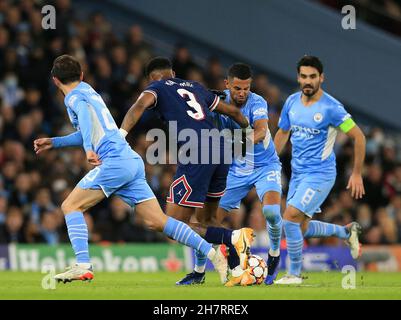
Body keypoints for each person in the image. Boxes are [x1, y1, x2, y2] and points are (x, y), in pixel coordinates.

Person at [33, 54, 240, 283]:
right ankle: (214, 255)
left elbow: (84, 117)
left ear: (55, 81)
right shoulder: (88, 90)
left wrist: (88, 150)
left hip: (114, 162)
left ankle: (83, 265)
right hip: (130, 160)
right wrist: (55, 142)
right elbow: (88, 129)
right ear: (81, 75)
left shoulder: (73, 97)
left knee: (70, 205)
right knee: (157, 221)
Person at [120, 57, 255, 285]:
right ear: (172, 73)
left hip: (197, 151)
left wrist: (121, 135)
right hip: (221, 150)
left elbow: (139, 106)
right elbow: (233, 113)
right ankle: (228, 269)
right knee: (207, 219)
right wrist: (248, 132)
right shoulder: (195, 86)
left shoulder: (156, 87)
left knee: (171, 223)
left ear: (151, 78)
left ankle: (234, 237)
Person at [273, 55, 366, 285]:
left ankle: (294, 274)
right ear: (298, 77)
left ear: (321, 78)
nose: (308, 81)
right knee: (299, 227)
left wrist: (356, 173)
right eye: (304, 76)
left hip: (320, 175)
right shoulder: (291, 102)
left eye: (312, 77)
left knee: (290, 218)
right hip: (298, 174)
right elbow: (283, 132)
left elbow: (359, 137)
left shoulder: (331, 108)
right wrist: (270, 160)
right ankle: (346, 233)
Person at [212, 63, 283, 286]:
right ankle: (201, 269)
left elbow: (261, 131)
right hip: (236, 171)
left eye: (246, 88)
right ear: (227, 84)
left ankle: (274, 253)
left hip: (265, 166)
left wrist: (238, 144)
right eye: (237, 88)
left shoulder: (258, 102)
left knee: (271, 212)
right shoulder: (217, 100)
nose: (242, 93)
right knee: (210, 220)